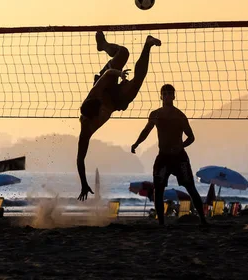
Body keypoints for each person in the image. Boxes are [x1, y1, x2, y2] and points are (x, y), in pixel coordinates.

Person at [77, 32, 161, 200]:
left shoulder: (96, 92)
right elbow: (80, 159)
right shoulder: (86, 130)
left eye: (101, 110)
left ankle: (105, 46)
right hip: (116, 101)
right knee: (137, 81)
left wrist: (119, 74)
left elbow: (108, 75)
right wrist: (84, 183)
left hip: (108, 82)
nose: (102, 113)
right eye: (100, 114)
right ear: (93, 118)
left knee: (123, 52)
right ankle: (148, 44)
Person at [131, 84, 207, 226]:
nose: (166, 96)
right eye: (164, 94)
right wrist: (136, 144)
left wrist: (181, 146)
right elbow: (146, 131)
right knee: (158, 191)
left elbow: (191, 137)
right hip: (163, 157)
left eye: (169, 94)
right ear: (161, 96)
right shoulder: (155, 115)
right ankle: (161, 223)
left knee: (191, 188)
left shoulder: (180, 116)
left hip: (179, 157)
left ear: (173, 96)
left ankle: (203, 220)